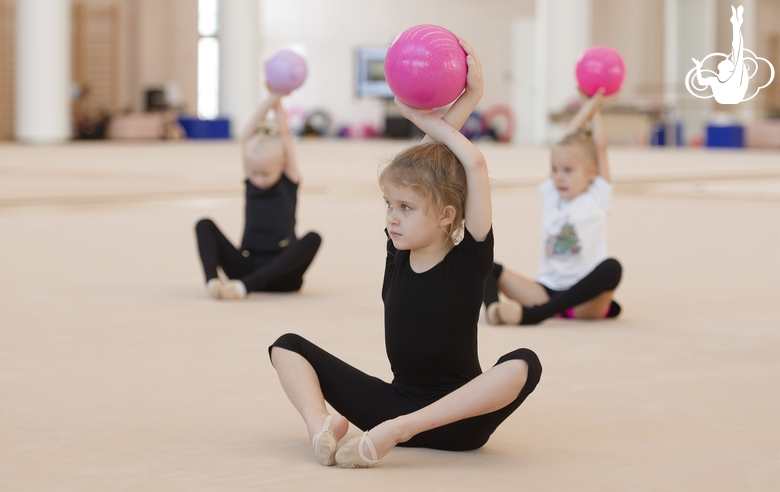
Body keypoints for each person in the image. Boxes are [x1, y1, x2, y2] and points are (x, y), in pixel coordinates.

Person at [268, 39, 542, 469]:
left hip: (458, 418)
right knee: (286, 346)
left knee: (524, 363)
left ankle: (400, 432)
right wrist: (453, 107)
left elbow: (474, 166)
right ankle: (320, 424)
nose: (392, 218)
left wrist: (448, 106)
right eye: (389, 206)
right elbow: (421, 166)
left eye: (406, 208)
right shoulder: (397, 254)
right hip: (392, 404)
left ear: (447, 214)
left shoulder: (470, 260)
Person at [484, 89, 622, 325]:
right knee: (486, 266)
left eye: (568, 171)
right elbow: (565, 141)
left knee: (612, 268)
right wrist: (588, 104)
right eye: (555, 170)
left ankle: (537, 315)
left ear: (592, 172)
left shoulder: (597, 196)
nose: (559, 178)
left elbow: (599, 148)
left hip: (580, 299)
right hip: (544, 292)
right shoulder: (552, 195)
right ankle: (495, 310)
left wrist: (594, 106)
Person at [194, 88, 321, 300]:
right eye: (253, 173)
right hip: (247, 267)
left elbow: (285, 135)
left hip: (283, 274)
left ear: (282, 164)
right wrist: (271, 97)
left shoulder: (289, 179)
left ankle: (246, 287)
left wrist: (278, 101)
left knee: (313, 238)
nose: (259, 179)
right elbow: (246, 135)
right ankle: (212, 282)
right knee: (203, 224)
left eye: (265, 174)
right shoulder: (251, 179)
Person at [691, 5, 749, 104]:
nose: (725, 59)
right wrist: (698, 67)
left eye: (727, 61)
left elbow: (737, 48)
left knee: (736, 49)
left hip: (733, 97)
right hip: (724, 98)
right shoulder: (714, 80)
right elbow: (701, 82)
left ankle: (736, 23)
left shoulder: (735, 78)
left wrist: (736, 26)